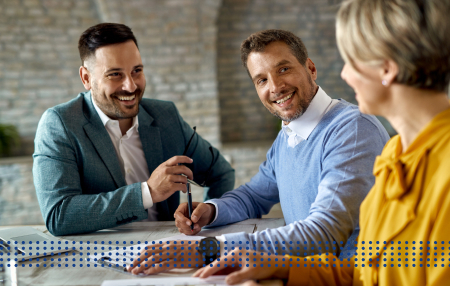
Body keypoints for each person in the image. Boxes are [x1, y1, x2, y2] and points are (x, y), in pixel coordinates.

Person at [194, 0, 450, 285]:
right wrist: (283, 269)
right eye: (261, 80)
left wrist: (211, 249)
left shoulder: (360, 132)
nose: (344, 74)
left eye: (351, 60)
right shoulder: (395, 153)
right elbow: (369, 270)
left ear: (387, 68)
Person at [128, 29, 390, 275]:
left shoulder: (352, 129)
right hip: (308, 274)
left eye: (284, 69)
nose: (275, 87)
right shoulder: (288, 135)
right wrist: (210, 210)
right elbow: (254, 196)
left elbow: (324, 233)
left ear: (310, 68)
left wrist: (209, 250)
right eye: (262, 80)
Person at [32, 23, 235, 236]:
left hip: (168, 252)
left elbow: (220, 173)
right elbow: (59, 215)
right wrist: (147, 193)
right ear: (86, 78)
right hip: (98, 258)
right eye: (115, 75)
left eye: (136, 71)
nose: (130, 86)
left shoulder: (166, 116)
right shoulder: (60, 124)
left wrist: (209, 214)